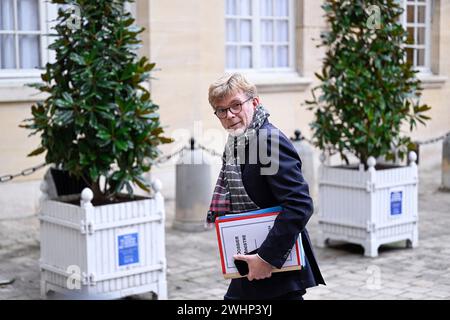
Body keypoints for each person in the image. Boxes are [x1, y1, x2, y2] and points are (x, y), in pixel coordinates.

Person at [207, 73, 325, 300]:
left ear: (254, 102)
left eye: (235, 105)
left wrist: (266, 259)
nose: (229, 115)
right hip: (253, 259)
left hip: (274, 264)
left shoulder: (268, 140)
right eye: (222, 110)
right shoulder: (238, 141)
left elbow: (299, 204)